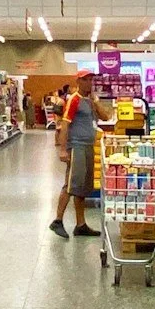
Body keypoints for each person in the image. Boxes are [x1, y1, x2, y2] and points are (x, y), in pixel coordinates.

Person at [50, 74, 99, 238]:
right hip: (77, 147)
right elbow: (65, 124)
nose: (89, 83)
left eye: (91, 80)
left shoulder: (89, 101)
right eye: (85, 80)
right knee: (71, 184)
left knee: (82, 188)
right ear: (78, 82)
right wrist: (63, 149)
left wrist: (95, 102)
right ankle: (57, 220)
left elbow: (106, 116)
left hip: (88, 146)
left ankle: (81, 224)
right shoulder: (74, 100)